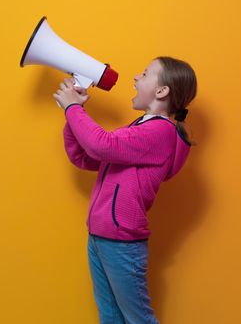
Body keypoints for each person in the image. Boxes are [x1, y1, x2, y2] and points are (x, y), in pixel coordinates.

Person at [53, 56, 198, 324]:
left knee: (137, 319)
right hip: (100, 236)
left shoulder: (160, 132)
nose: (135, 78)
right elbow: (85, 157)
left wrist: (73, 109)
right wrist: (71, 116)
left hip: (122, 242)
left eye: (144, 74)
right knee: (110, 316)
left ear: (161, 91)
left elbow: (102, 145)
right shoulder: (138, 127)